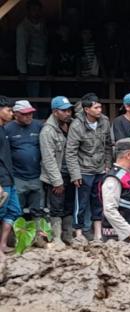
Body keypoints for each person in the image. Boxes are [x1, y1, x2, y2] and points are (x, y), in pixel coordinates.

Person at [66, 93, 112, 245]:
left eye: (100, 107)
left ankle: (98, 234)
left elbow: (108, 146)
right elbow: (71, 152)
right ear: (87, 109)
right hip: (83, 170)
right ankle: (78, 233)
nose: (100, 110)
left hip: (100, 169)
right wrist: (75, 174)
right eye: (96, 107)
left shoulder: (104, 121)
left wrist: (107, 165)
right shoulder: (77, 125)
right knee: (81, 203)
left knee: (98, 201)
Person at [40, 96, 75, 246]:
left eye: (69, 110)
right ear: (55, 112)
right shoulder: (48, 131)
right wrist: (57, 181)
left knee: (68, 206)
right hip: (57, 176)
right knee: (56, 208)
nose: (68, 113)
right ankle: (57, 237)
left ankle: (68, 235)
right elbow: (48, 158)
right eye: (64, 110)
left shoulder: (71, 125)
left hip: (70, 174)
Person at [5, 100, 44, 217]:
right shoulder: (7, 129)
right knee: (16, 210)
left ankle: (38, 234)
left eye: (30, 113)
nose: (29, 116)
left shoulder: (39, 126)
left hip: (37, 175)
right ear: (15, 114)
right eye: (25, 114)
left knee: (38, 210)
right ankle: (18, 234)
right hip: (17, 176)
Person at [0, 96, 21, 258]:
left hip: (9, 178)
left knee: (13, 210)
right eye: (8, 110)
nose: (12, 114)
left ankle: (3, 245)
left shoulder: (3, 129)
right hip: (1, 180)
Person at [16, 0, 49, 98]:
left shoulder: (44, 25)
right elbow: (21, 49)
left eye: (38, 10)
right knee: (33, 95)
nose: (36, 12)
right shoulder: (23, 27)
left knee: (45, 94)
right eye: (34, 9)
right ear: (28, 11)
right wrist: (23, 70)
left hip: (45, 65)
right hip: (31, 65)